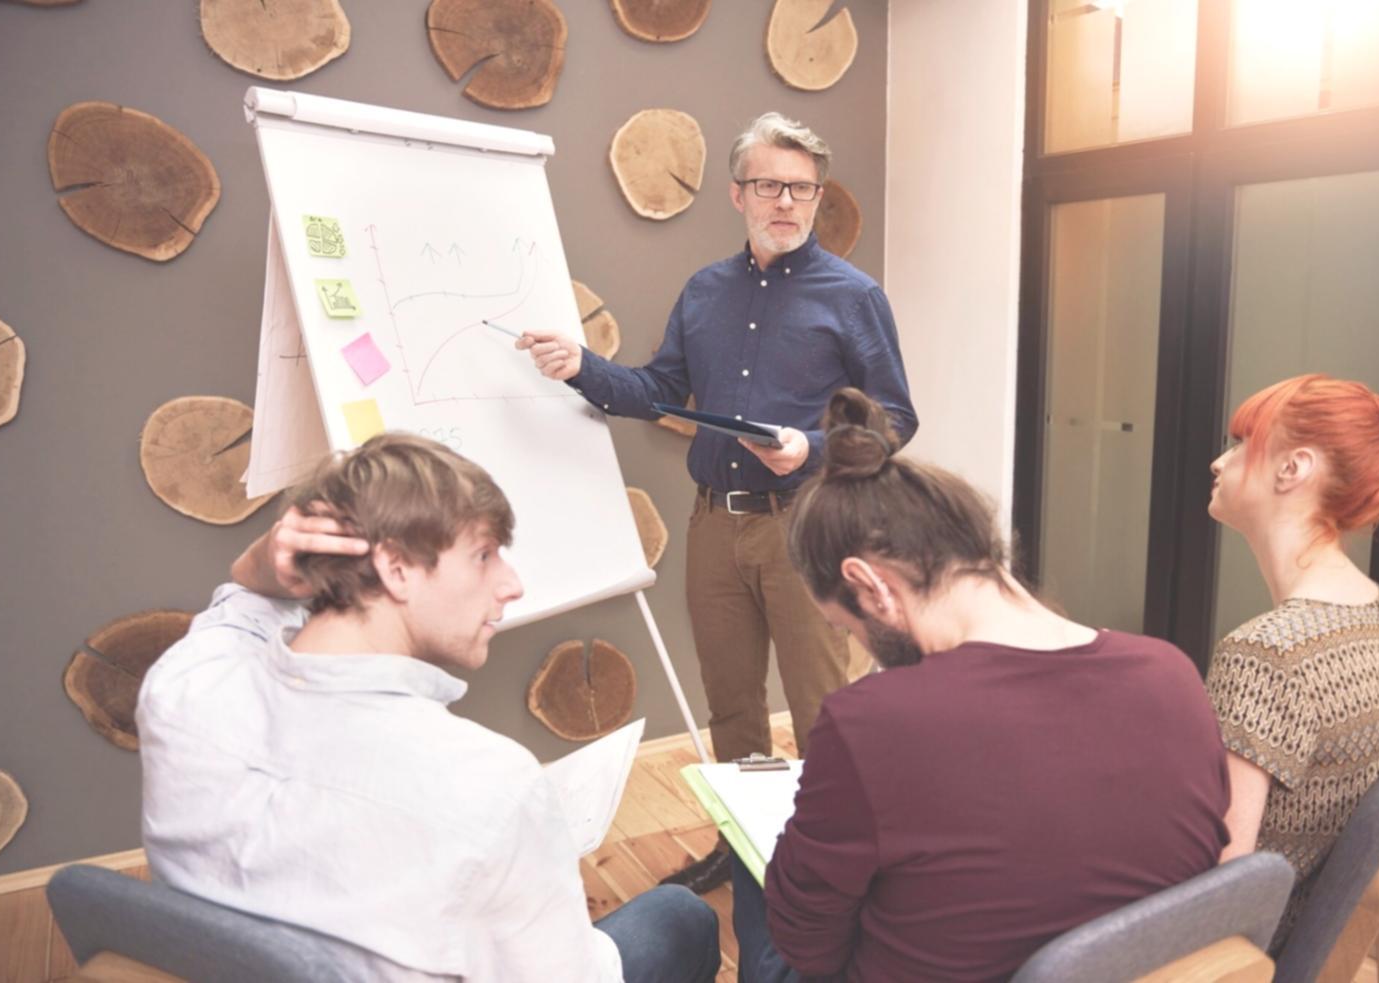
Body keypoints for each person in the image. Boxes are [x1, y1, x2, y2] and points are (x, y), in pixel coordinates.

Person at [137, 433, 720, 983]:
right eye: (485, 554)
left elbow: (241, 601)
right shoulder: (489, 784)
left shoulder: (183, 685)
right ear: (396, 569)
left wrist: (265, 561)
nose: (511, 583)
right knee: (681, 918)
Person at [517, 112, 917, 892]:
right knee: (730, 706)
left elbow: (894, 419)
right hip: (712, 522)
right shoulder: (705, 290)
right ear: (737, 193)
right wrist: (579, 367)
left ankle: (834, 869)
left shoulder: (854, 295)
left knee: (822, 711)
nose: (787, 202)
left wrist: (811, 447)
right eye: (770, 185)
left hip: (806, 525)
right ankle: (746, 845)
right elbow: (657, 390)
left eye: (802, 189)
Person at [729, 388, 1231, 982]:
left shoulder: (872, 721)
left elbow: (809, 946)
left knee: (749, 862)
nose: (859, 645)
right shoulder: (1172, 673)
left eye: (847, 627)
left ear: (870, 586)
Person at [1205, 373, 1379, 945]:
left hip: (1248, 955)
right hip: (1310, 936)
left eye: (1241, 445)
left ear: (1293, 469)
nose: (1221, 462)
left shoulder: (1267, 656)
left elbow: (1215, 894)